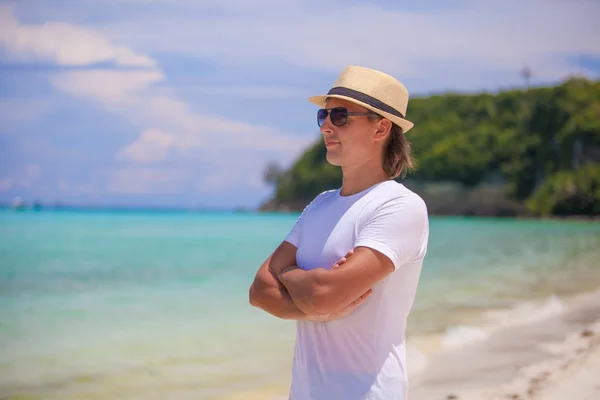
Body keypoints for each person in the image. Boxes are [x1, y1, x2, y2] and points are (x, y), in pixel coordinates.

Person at [249, 65, 429, 400]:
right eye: (324, 115)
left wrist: (290, 276)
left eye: (341, 115)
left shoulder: (400, 206)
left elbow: (324, 294)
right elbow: (259, 290)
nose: (326, 127)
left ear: (381, 129)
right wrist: (315, 301)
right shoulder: (320, 205)